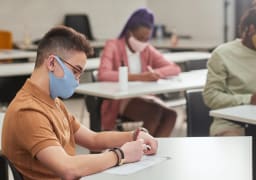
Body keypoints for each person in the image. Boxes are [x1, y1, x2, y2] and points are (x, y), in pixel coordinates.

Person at [1, 26, 158, 180]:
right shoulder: (28, 111)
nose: (77, 81)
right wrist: (121, 155)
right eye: (75, 72)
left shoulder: (52, 102)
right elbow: (68, 168)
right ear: (51, 63)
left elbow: (93, 140)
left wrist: (133, 135)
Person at [203, 0, 256, 179]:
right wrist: (249, 99)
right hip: (231, 128)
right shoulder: (223, 54)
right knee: (238, 164)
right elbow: (210, 97)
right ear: (251, 29)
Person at [98, 8, 181, 137]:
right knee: (154, 113)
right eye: (140, 38)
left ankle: (154, 149)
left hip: (143, 96)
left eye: (146, 39)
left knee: (171, 115)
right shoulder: (113, 46)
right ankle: (140, 149)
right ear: (129, 33)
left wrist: (155, 73)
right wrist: (141, 77)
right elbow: (103, 74)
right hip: (120, 99)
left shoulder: (146, 49)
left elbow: (174, 68)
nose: (143, 42)